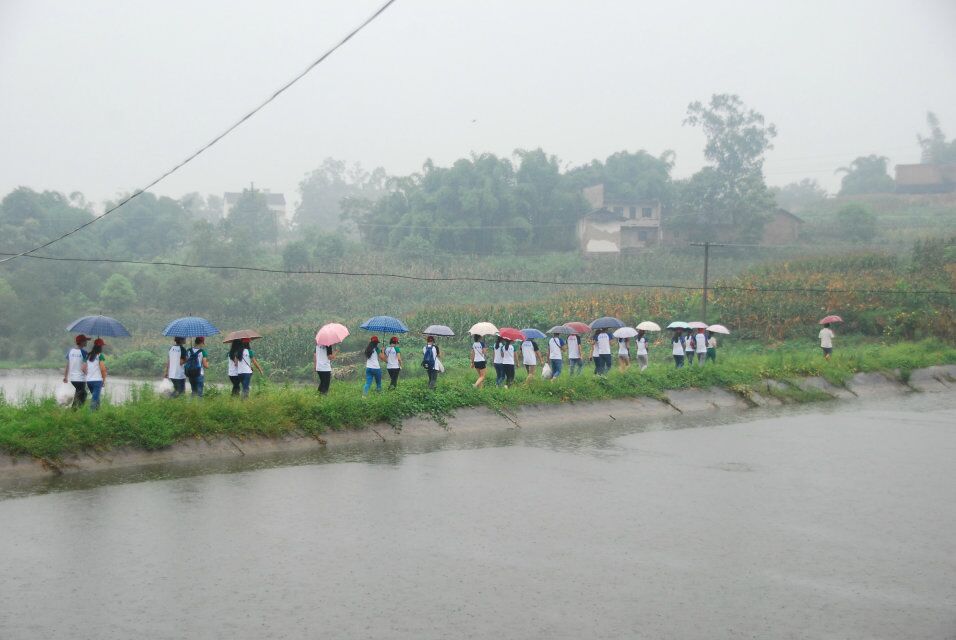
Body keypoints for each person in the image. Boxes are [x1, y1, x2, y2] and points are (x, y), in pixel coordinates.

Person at [63, 334, 88, 409]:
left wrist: (65, 377)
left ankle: (74, 411)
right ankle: (75, 411)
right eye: (85, 340)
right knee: (83, 394)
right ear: (82, 342)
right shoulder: (84, 353)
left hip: (73, 378)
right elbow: (85, 367)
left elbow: (68, 365)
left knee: (79, 394)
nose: (87, 342)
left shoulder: (71, 351)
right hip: (80, 378)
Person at [85, 338, 108, 411]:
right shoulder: (100, 356)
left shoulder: (88, 355)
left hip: (89, 381)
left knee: (96, 398)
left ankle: (98, 413)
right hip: (97, 381)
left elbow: (84, 368)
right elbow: (103, 369)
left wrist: (89, 374)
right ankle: (89, 416)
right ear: (100, 347)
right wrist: (103, 380)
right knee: (94, 399)